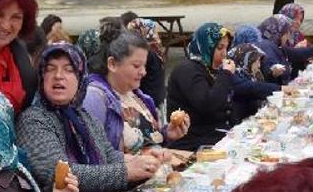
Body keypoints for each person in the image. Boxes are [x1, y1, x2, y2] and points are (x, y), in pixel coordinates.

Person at [17, 43, 161, 192]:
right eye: (50, 69)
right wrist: (126, 172)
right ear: (41, 78)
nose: (58, 75)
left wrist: (141, 162)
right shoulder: (34, 120)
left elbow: (108, 156)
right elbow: (61, 174)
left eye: (69, 70)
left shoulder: (83, 117)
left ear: (80, 78)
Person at [84, 23, 189, 155]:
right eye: (136, 66)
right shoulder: (94, 98)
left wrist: (167, 134)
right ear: (112, 64)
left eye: (144, 66)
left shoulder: (137, 95)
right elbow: (93, 156)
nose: (143, 72)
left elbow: (148, 142)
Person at [166, 22, 236, 151]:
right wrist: (225, 74)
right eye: (220, 48)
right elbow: (208, 105)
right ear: (206, 46)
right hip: (191, 143)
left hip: (211, 136)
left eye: (226, 48)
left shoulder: (208, 68)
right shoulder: (187, 70)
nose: (224, 54)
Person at [227, 43, 280, 121]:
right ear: (247, 59)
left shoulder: (252, 75)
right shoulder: (232, 76)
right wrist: (279, 88)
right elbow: (253, 88)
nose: (259, 65)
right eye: (257, 61)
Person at [127, 18, 167, 107]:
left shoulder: (145, 53)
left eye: (132, 34)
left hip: (147, 100)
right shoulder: (156, 49)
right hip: (158, 97)